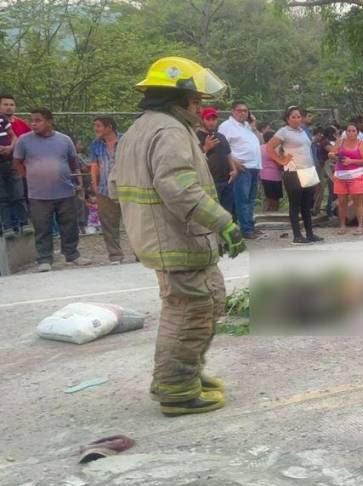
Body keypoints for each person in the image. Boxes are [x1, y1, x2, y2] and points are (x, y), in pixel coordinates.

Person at [108, 56, 245, 416]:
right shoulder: (168, 131)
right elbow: (179, 188)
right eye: (196, 100)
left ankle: (188, 373)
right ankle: (177, 390)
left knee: (210, 301)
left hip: (171, 238)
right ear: (178, 98)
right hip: (175, 239)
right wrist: (223, 223)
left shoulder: (139, 130)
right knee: (190, 310)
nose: (200, 108)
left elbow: (113, 185)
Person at [13, 108, 90, 272]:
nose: (33, 124)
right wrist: (29, 177)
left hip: (64, 191)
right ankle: (44, 259)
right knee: (42, 227)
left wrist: (71, 180)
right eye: (32, 120)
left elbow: (72, 161)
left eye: (38, 120)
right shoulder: (23, 140)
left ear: (49, 121)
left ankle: (72, 255)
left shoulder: (64, 140)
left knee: (69, 225)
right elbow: (18, 162)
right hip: (38, 194)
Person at [268, 106, 322, 244]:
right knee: (295, 204)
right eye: (293, 117)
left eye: (299, 117)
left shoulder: (303, 131)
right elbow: (270, 147)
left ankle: (310, 234)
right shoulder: (283, 132)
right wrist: (281, 160)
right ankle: (297, 236)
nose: (297, 119)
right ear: (287, 118)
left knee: (307, 204)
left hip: (307, 170)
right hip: (293, 172)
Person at [88, 116, 131, 263]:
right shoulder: (95, 144)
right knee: (108, 224)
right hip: (104, 188)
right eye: (95, 126)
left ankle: (140, 253)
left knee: (133, 222)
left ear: (109, 127)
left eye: (99, 126)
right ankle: (115, 255)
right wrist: (94, 184)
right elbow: (94, 164)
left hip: (127, 187)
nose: (96, 129)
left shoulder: (126, 140)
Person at [218, 100, 262, 239]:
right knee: (242, 200)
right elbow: (221, 147)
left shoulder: (247, 126)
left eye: (245, 111)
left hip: (254, 167)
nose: (243, 113)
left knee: (250, 200)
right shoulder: (226, 126)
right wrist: (234, 162)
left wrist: (253, 126)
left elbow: (260, 142)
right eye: (240, 110)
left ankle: (250, 225)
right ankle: (246, 229)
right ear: (232, 111)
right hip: (242, 168)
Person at [197, 107, 239, 221]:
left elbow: (228, 153)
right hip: (210, 181)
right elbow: (193, 158)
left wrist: (234, 170)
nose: (211, 122)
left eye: (214, 119)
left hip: (226, 180)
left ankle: (227, 237)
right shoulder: (196, 136)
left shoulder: (220, 136)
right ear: (202, 120)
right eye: (208, 119)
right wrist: (206, 147)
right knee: (213, 213)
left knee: (228, 212)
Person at [331, 122, 363, 236]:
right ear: (345, 132)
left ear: (357, 133)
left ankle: (360, 226)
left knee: (358, 201)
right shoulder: (340, 142)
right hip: (340, 175)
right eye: (349, 131)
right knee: (342, 202)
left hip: (356, 175)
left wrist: (351, 161)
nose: (351, 133)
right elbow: (332, 152)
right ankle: (343, 225)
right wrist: (332, 155)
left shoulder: (361, 144)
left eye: (354, 131)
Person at [0, 94, 31, 237]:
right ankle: (8, 227)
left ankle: (25, 223)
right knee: (3, 197)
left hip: (16, 163)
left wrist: (12, 148)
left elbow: (28, 140)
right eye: (5, 104)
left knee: (19, 194)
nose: (9, 107)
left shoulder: (20, 123)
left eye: (11, 104)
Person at [260, 130, 283, 212]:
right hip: (274, 177)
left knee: (268, 199)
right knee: (274, 200)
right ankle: (274, 217)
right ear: (270, 139)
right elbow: (280, 164)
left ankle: (267, 217)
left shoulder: (261, 147)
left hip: (264, 175)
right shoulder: (272, 149)